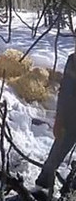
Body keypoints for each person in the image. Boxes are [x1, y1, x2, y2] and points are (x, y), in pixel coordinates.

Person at [36, 54, 76, 194]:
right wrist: (59, 119)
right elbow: (65, 91)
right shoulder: (73, 61)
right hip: (70, 118)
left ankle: (71, 192)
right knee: (55, 156)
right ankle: (42, 187)